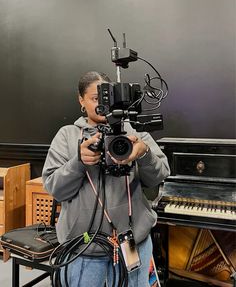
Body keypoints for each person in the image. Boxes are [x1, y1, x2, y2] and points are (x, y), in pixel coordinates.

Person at [42, 71, 170, 287]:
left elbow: (158, 176)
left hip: (133, 245)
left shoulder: (134, 133)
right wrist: (78, 162)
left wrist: (144, 153)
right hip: (83, 250)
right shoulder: (67, 136)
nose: (103, 105)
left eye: (107, 99)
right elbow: (55, 189)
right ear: (81, 100)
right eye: (95, 99)